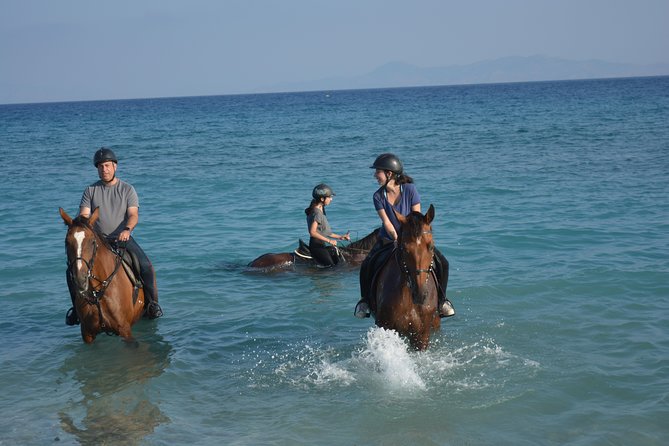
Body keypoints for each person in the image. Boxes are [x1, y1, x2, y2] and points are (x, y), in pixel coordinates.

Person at [65, 147, 163, 325]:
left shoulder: (127, 189)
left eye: (108, 165)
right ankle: (76, 310)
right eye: (101, 166)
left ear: (115, 166)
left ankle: (152, 304)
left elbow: (133, 214)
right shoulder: (90, 191)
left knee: (146, 266)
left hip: (122, 238)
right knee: (71, 272)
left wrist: (127, 230)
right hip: (98, 241)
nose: (104, 169)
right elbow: (85, 215)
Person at [355, 153, 455, 318]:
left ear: (389, 174)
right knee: (367, 264)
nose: (375, 175)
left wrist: (410, 240)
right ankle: (365, 302)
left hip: (413, 238)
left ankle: (442, 301)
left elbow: (417, 218)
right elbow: (387, 223)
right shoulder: (378, 196)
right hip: (389, 237)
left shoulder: (410, 189)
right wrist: (397, 239)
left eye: (377, 172)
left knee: (443, 262)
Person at [305, 183, 351, 267]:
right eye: (329, 197)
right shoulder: (317, 213)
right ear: (322, 199)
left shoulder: (319, 210)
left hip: (321, 244)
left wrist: (340, 237)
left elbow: (326, 233)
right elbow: (312, 232)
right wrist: (329, 241)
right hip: (316, 246)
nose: (331, 199)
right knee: (331, 268)